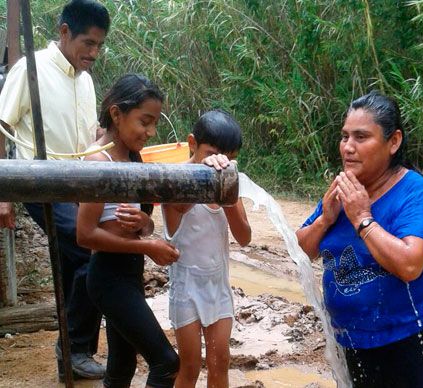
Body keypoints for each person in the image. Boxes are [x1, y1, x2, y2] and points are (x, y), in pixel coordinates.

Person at [296, 91, 423, 387]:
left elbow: (409, 265)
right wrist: (326, 218)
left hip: (408, 339)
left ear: (393, 142)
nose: (348, 148)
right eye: (344, 137)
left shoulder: (416, 193)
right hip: (350, 340)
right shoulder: (344, 190)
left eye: (361, 137)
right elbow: (301, 249)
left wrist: (362, 218)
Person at [0, 0, 110, 381]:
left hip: (80, 185)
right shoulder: (30, 69)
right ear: (64, 32)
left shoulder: (86, 78)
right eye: (88, 43)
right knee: (90, 247)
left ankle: (71, 353)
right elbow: (1, 126)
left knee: (72, 264)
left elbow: (86, 138)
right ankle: (76, 348)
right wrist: (2, 195)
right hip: (40, 183)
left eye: (99, 46)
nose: (93, 53)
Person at [77, 73, 180, 387]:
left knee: (121, 363)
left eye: (154, 123)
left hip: (128, 276)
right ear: (117, 114)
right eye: (144, 121)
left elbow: (145, 222)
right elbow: (85, 235)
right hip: (108, 277)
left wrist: (144, 225)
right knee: (166, 362)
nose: (150, 131)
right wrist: (148, 247)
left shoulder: (133, 158)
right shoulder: (99, 162)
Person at [162, 110, 252, 388]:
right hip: (187, 287)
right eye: (212, 152)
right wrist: (204, 177)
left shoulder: (228, 183)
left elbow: (245, 236)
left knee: (220, 362)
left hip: (218, 287)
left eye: (229, 157)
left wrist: (226, 193)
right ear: (192, 144)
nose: (220, 161)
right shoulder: (175, 180)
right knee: (189, 366)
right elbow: (179, 208)